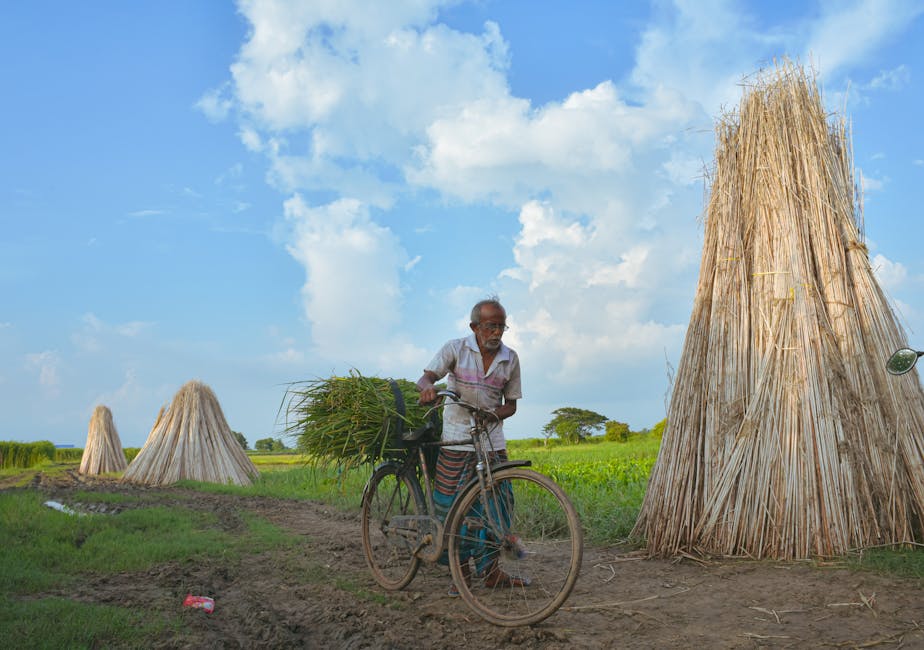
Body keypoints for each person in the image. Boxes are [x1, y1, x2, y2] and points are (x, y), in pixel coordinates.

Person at [416, 297, 527, 595]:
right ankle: (460, 574)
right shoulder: (455, 349)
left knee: (497, 506)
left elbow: (511, 405)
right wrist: (428, 389)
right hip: (457, 439)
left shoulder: (510, 358)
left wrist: (492, 414)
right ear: (475, 326)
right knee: (453, 509)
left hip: (491, 442)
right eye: (491, 326)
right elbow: (426, 378)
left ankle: (492, 572)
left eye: (501, 327)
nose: (497, 333)